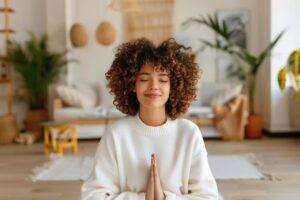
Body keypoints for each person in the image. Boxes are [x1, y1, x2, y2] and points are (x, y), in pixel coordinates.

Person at [81, 38, 218, 200]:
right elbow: (92, 195)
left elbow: (208, 197)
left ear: (173, 86)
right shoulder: (117, 134)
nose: (153, 86)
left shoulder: (189, 133)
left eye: (163, 79)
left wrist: (166, 198)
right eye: (144, 79)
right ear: (132, 84)